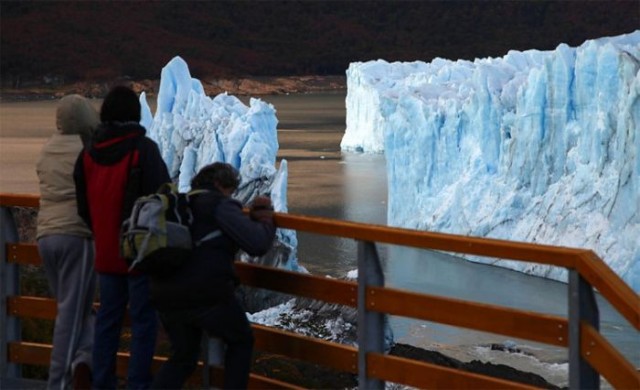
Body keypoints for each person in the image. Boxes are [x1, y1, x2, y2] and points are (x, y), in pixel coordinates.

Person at [74, 85, 170, 389]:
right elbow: (164, 197)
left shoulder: (88, 154)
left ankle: (102, 383)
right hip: (140, 253)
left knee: (107, 323)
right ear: (134, 114)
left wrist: (102, 231)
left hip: (106, 253)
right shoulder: (144, 149)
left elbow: (83, 205)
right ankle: (137, 384)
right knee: (144, 323)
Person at [150, 162, 276, 389]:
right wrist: (265, 218)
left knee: (184, 357)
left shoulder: (182, 204)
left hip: (167, 295)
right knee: (241, 340)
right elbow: (257, 244)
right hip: (206, 295)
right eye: (231, 189)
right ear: (220, 185)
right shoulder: (219, 205)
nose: (231, 195)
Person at [36, 94, 99, 390]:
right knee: (71, 314)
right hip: (77, 237)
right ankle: (58, 382)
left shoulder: (48, 150)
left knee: (76, 309)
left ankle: (83, 359)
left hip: (46, 236)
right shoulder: (87, 152)